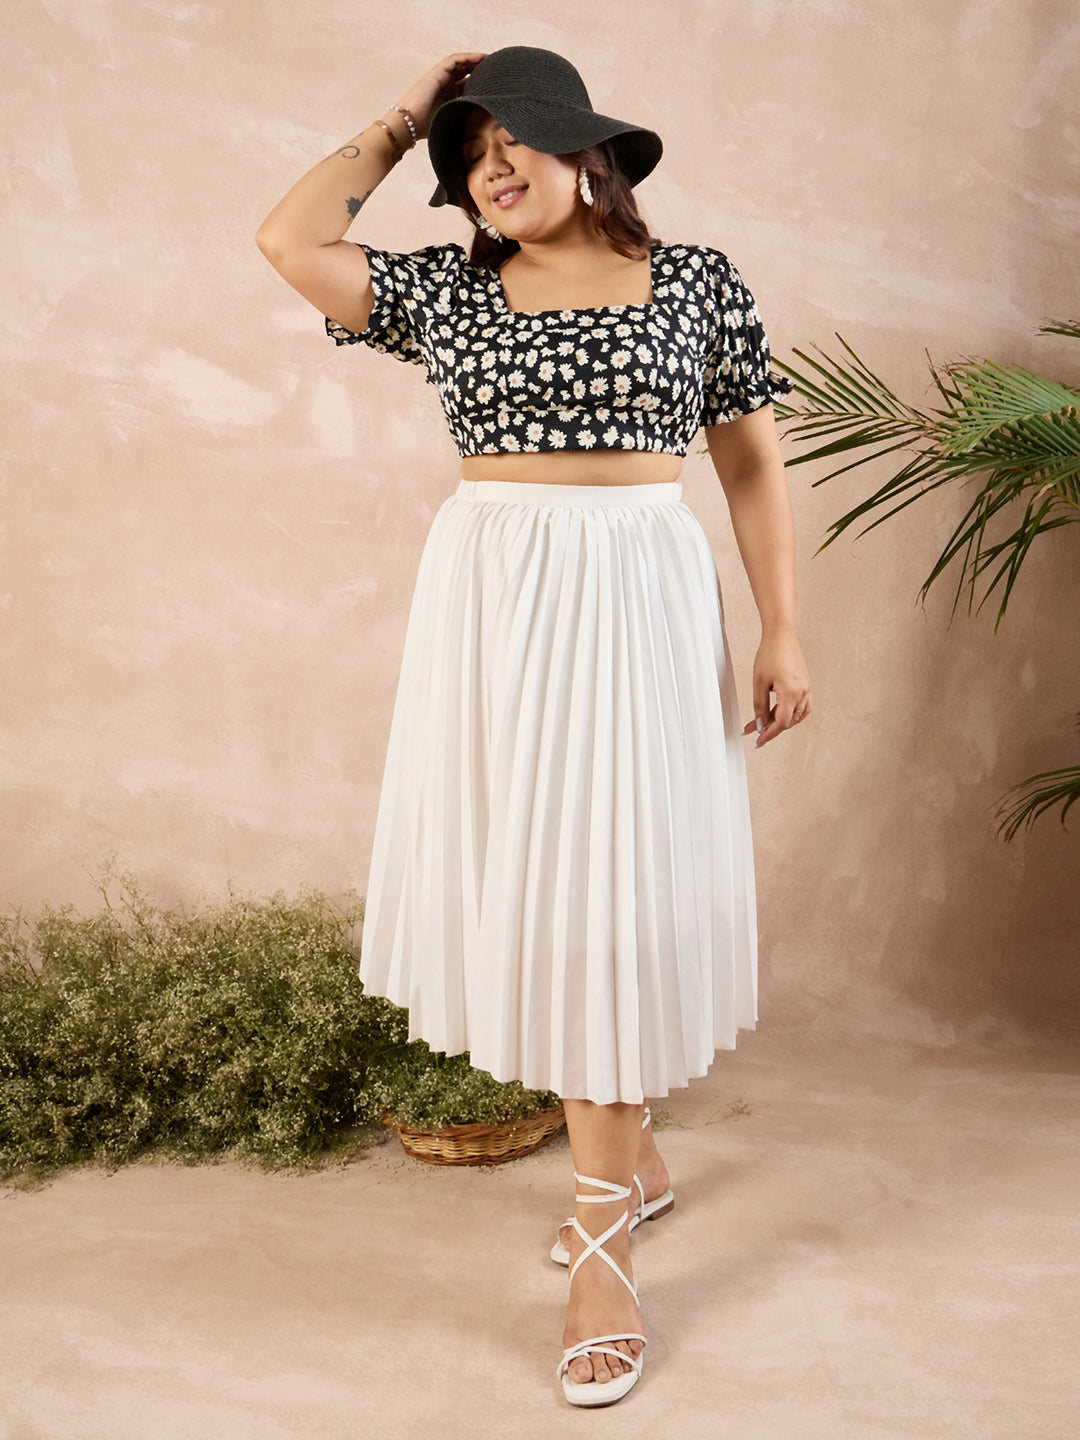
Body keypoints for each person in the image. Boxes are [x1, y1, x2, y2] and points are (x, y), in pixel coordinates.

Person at [255, 45, 812, 1408]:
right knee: (544, 893)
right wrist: (406, 117)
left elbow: (748, 457)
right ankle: (632, 1163)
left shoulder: (697, 281)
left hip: (639, 595)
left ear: (587, 149)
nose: (490, 170)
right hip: (497, 608)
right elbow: (289, 240)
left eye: (515, 141)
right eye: (471, 156)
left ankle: (605, 1238)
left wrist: (784, 629)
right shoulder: (449, 291)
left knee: (617, 894)